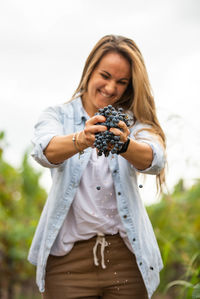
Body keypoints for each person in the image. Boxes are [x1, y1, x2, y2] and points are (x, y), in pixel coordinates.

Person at [28, 34, 166, 299]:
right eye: (105, 75)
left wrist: (125, 144)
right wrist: (82, 138)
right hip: (67, 260)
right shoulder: (57, 115)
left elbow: (155, 159)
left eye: (122, 82)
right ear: (89, 70)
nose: (111, 88)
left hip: (127, 259)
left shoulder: (132, 122)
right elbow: (43, 150)